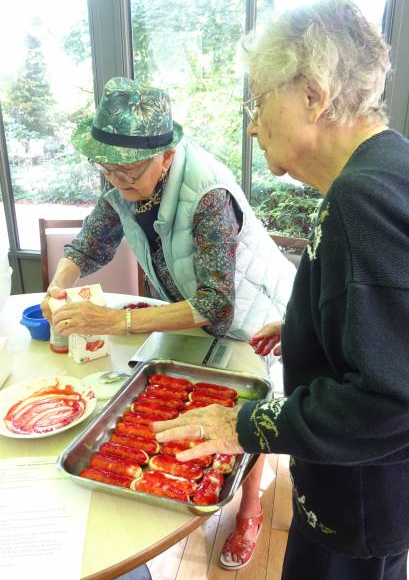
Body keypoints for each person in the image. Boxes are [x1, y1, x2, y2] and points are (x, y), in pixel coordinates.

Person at [149, 0, 409, 580]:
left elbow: (399, 399)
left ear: (314, 96)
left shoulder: (363, 203)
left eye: (258, 99)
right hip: (400, 484)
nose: (252, 122)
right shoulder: (399, 168)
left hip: (363, 495)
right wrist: (306, 325)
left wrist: (242, 425)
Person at [40, 76, 296, 571]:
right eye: (107, 167)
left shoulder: (208, 197)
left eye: (129, 170)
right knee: (181, 399)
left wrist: (115, 321)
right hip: (192, 310)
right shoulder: (124, 178)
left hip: (259, 317)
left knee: (247, 404)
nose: (118, 180)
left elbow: (217, 305)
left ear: (167, 154)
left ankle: (249, 513)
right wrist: (59, 285)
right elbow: (90, 243)